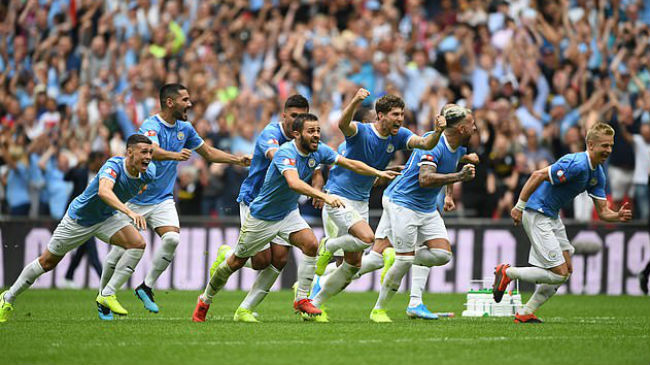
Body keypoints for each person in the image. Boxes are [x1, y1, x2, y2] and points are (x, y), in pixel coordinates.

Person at [191, 113, 400, 322]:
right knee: (237, 262)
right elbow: (294, 183)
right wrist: (323, 196)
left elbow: (349, 163)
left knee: (310, 245)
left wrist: (379, 173)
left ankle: (302, 299)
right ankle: (205, 300)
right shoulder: (285, 153)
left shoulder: (319, 151)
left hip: (288, 213)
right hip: (263, 216)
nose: (316, 135)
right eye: (311, 131)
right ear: (296, 134)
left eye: (318, 130)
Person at [98, 83, 251, 314]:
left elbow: (208, 153)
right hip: (134, 198)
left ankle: (146, 287)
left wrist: (237, 160)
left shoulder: (185, 129)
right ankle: (103, 298)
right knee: (119, 251)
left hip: (162, 199)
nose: (190, 104)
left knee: (171, 239)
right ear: (170, 102)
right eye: (185, 100)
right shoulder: (151, 125)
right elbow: (151, 150)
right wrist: (175, 155)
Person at [310, 89, 446, 321]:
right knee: (367, 239)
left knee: (351, 267)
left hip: (361, 201)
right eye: (395, 114)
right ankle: (329, 246)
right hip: (338, 197)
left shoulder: (399, 135)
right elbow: (343, 124)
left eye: (402, 114)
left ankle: (314, 305)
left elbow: (424, 143)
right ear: (380, 115)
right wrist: (354, 100)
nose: (400, 119)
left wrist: (439, 131)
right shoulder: (361, 132)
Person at [0, 134, 156, 323]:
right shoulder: (113, 166)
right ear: (129, 152)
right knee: (47, 262)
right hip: (79, 220)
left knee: (137, 244)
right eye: (144, 152)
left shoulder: (149, 172)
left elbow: (140, 186)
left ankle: (107, 294)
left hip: (106, 218)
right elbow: (104, 191)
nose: (148, 156)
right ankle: (7, 298)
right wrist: (129, 212)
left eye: (150, 152)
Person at [494, 122, 632, 323]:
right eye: (604, 145)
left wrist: (617, 216)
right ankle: (507, 272)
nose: (608, 150)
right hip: (536, 212)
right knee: (558, 274)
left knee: (566, 270)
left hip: (552, 216)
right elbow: (537, 175)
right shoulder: (575, 163)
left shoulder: (597, 173)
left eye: (611, 145)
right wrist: (519, 206)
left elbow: (603, 212)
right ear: (591, 145)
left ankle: (525, 313)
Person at [367, 105, 478, 323]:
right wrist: (458, 176)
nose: (475, 128)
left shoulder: (459, 146)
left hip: (425, 206)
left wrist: (449, 194)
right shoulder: (433, 144)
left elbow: (451, 164)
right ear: (462, 128)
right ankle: (379, 309)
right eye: (472, 124)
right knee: (383, 259)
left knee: (442, 254)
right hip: (404, 202)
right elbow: (425, 178)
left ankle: (405, 273)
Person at [208, 95, 311, 322]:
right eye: (293, 116)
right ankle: (227, 253)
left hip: (284, 205)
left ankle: (245, 309)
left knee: (281, 259)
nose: (297, 121)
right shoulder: (270, 134)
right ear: (283, 115)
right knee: (261, 261)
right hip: (255, 201)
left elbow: (317, 161)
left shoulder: (307, 137)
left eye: (301, 116)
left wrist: (319, 180)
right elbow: (278, 158)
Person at [62, 151, 107, 288]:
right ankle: (104, 282)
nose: (103, 163)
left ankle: (68, 278)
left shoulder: (103, 176)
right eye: (101, 159)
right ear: (93, 161)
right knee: (92, 250)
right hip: (77, 216)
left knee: (82, 249)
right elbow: (66, 177)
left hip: (91, 217)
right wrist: (78, 163)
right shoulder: (81, 173)